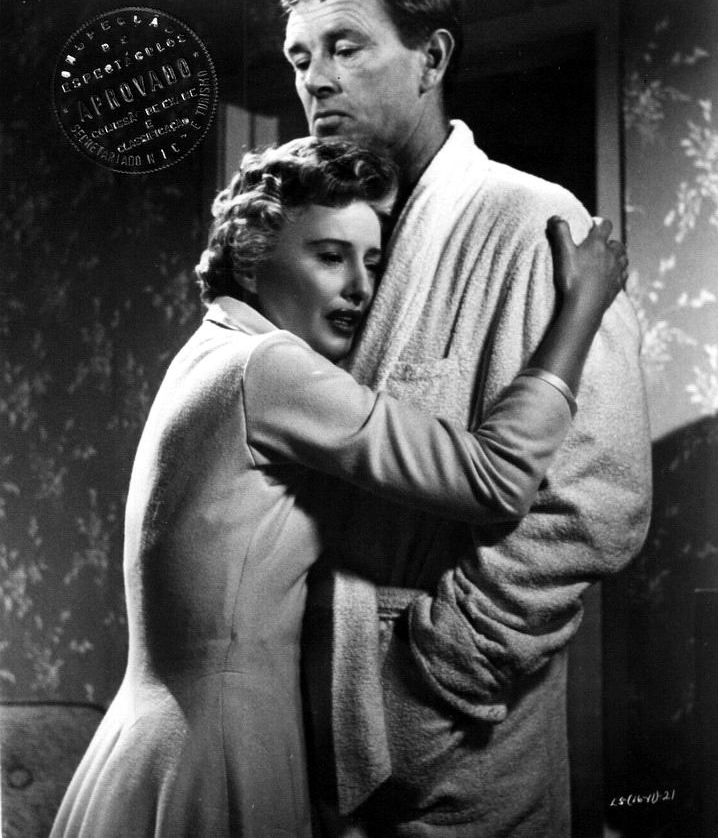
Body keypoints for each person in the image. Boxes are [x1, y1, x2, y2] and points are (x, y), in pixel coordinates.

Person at [50, 136, 627, 838]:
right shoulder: (269, 368)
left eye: (373, 262)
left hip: (153, 735)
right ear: (253, 259)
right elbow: (493, 478)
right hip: (224, 747)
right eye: (330, 256)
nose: (359, 287)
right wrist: (580, 310)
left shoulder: (208, 350)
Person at [275, 0, 653, 836]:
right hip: (306, 725)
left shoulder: (534, 224)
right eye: (299, 57)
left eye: (345, 47)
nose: (315, 80)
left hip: (457, 737)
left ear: (432, 58)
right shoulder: (328, 236)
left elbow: (597, 502)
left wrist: (435, 676)